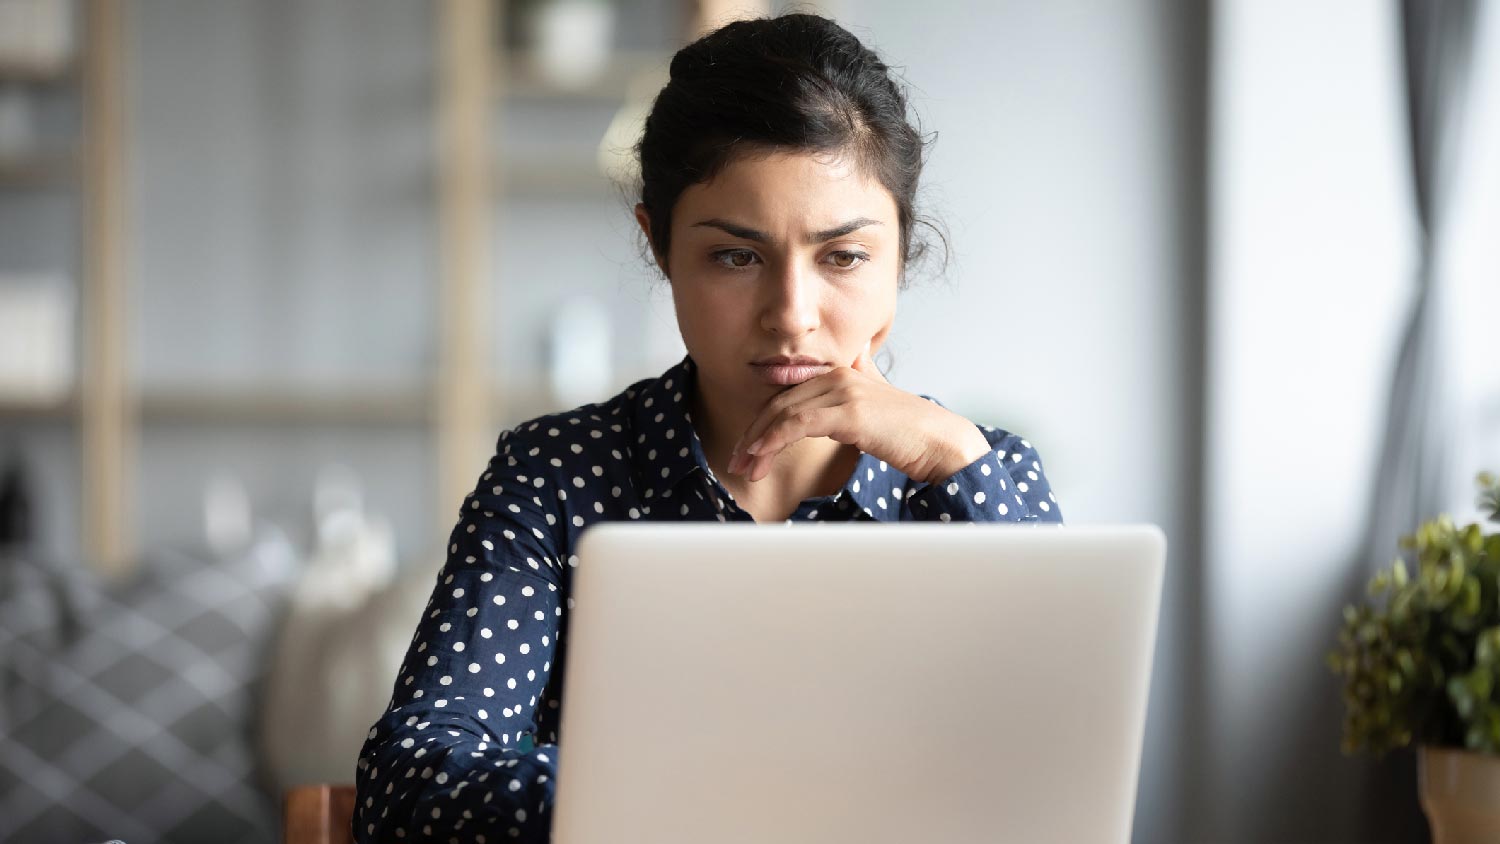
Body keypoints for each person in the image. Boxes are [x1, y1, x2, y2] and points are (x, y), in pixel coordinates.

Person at [353, 12, 1063, 843]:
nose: (792, 317)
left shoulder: (981, 472)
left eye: (844, 257)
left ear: (901, 252)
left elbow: (1053, 784)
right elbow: (411, 789)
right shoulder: (557, 475)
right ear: (659, 246)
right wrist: (739, 790)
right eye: (737, 256)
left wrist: (955, 460)